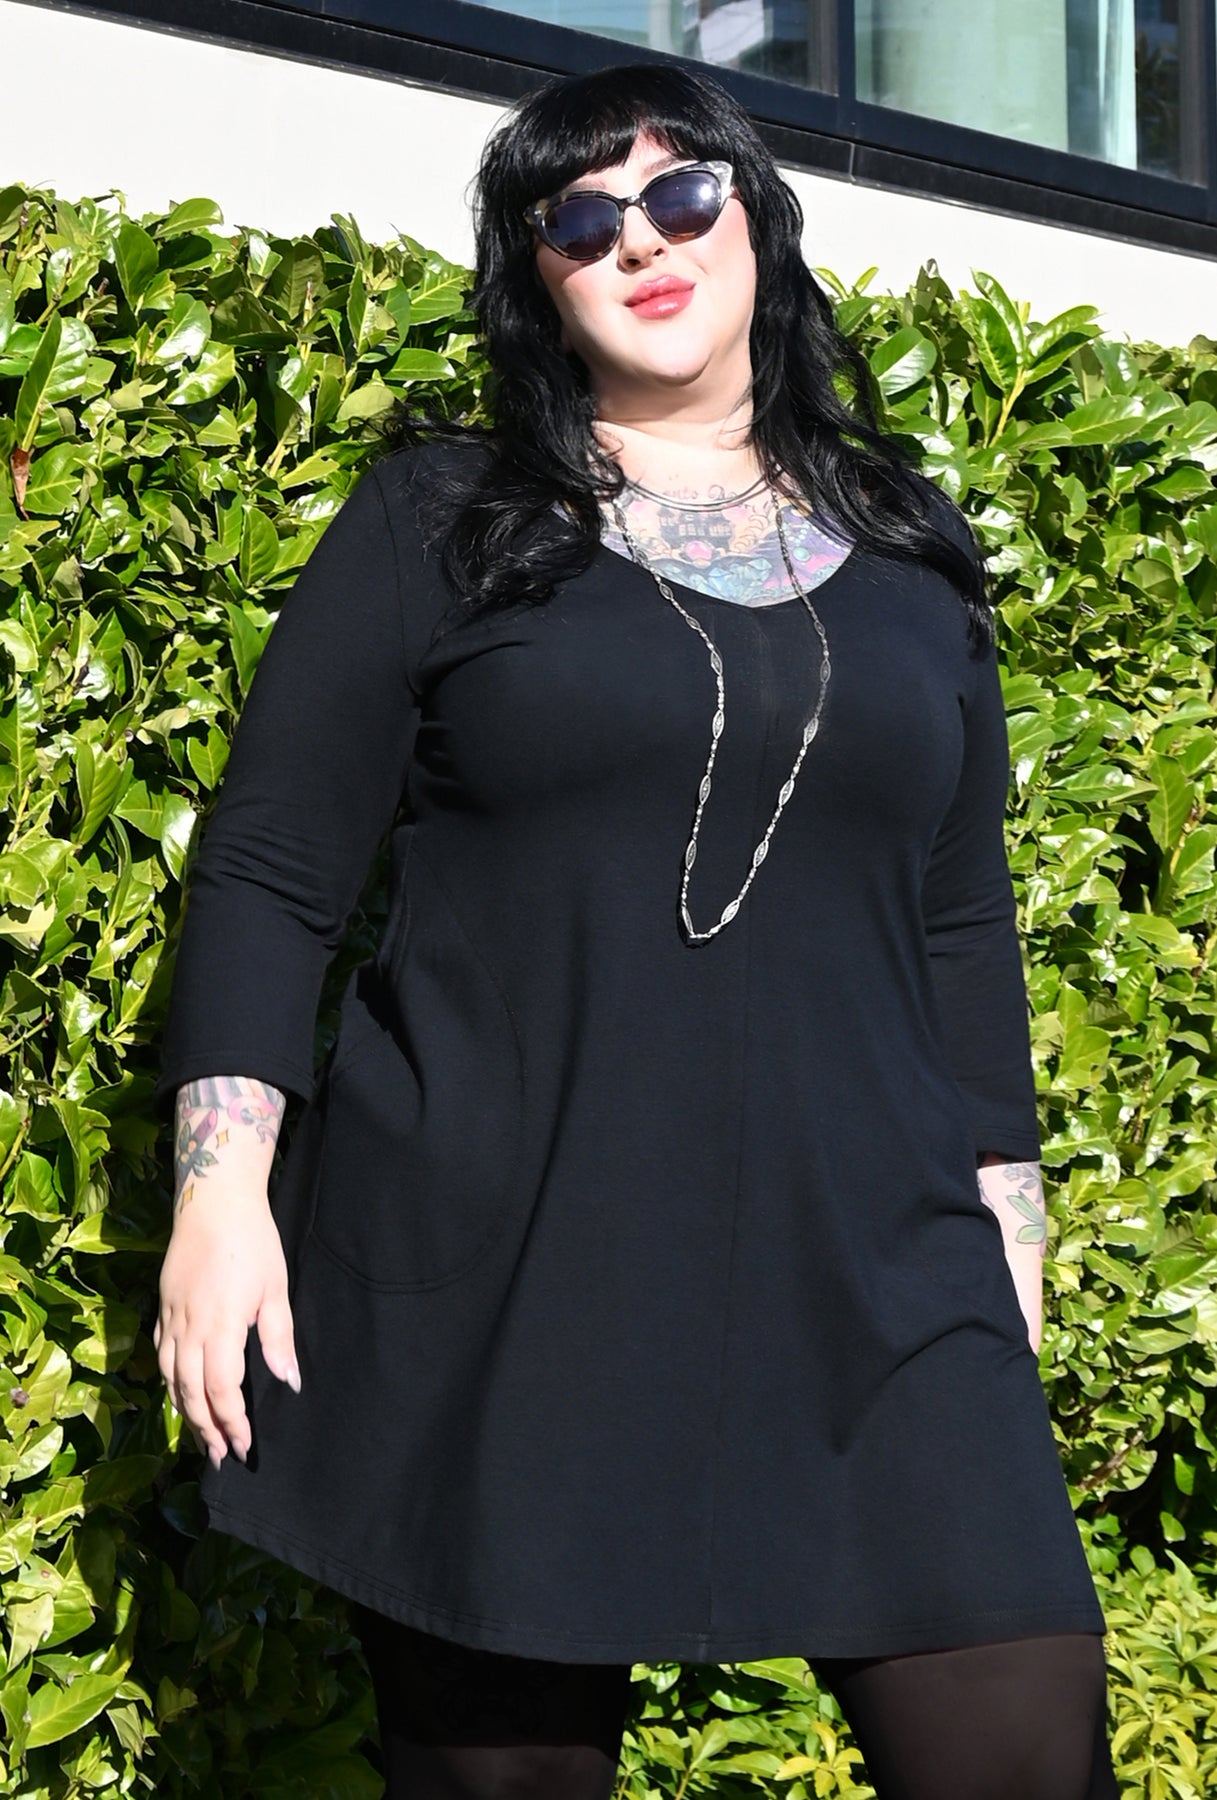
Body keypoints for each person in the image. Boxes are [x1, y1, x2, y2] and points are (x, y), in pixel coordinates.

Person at [153, 59, 1121, 1800]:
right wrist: (221, 1196)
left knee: (1019, 1736)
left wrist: (1009, 1223)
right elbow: (274, 872)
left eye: (680, 196)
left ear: (757, 219)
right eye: (579, 220)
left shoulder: (910, 550)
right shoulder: (438, 520)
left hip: (880, 1278)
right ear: (536, 277)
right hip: (510, 1270)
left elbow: (958, 916)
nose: (639, 243)